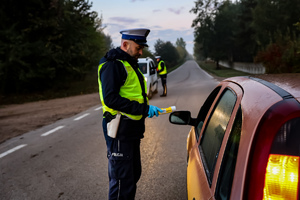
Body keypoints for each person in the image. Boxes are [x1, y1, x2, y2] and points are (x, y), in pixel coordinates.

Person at [98, 28, 163, 200]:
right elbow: (110, 99)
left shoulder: (128, 63)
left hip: (131, 130)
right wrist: (143, 109)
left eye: (142, 48)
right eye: (138, 47)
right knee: (122, 183)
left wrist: (145, 110)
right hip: (119, 130)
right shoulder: (113, 65)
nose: (141, 52)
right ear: (125, 44)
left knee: (132, 176)